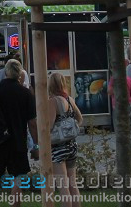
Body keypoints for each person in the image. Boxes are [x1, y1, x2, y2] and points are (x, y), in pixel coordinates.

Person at [0, 60, 36, 207]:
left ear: (5, 72)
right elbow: (32, 123)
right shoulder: (26, 94)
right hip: (17, 141)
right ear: (20, 74)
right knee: (18, 177)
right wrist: (36, 144)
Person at [46, 72, 83, 204]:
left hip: (58, 148)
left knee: (63, 186)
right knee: (73, 184)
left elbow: (49, 126)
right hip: (72, 145)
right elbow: (80, 119)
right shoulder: (70, 99)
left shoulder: (52, 102)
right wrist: (70, 130)